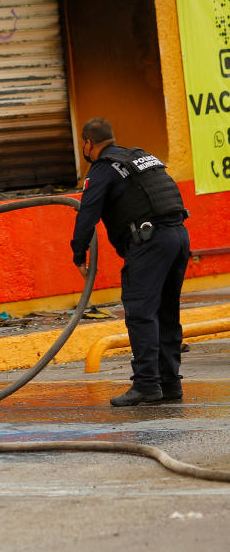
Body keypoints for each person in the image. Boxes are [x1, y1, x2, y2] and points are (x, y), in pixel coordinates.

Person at [69, 118, 190, 406]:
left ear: (88, 143)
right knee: (166, 311)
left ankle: (147, 385)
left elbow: (87, 213)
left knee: (141, 312)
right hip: (179, 235)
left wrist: (78, 254)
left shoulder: (102, 169)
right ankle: (170, 383)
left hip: (150, 242)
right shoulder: (139, 156)